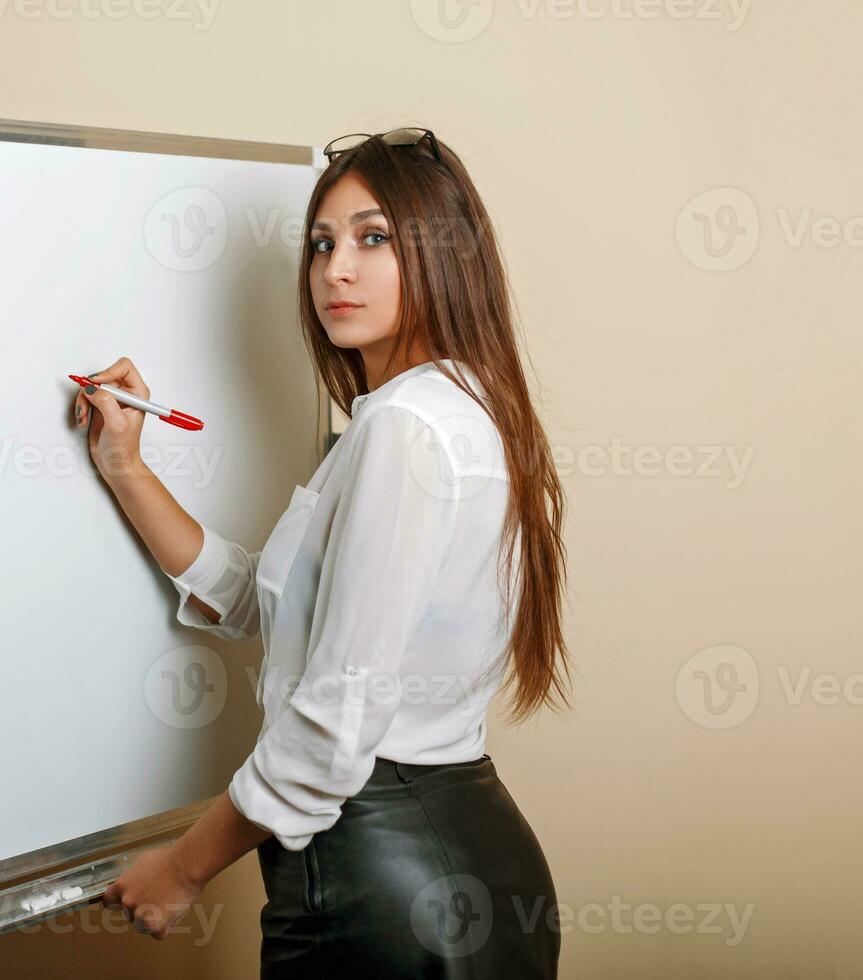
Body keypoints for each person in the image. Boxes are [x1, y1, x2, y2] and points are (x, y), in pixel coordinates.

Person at [77, 128, 571, 978]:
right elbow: (267, 606)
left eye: (374, 239)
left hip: (381, 883)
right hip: (470, 858)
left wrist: (181, 870)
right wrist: (126, 467)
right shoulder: (465, 408)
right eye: (322, 243)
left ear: (445, 256)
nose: (336, 269)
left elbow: (333, 719)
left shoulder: (405, 429)